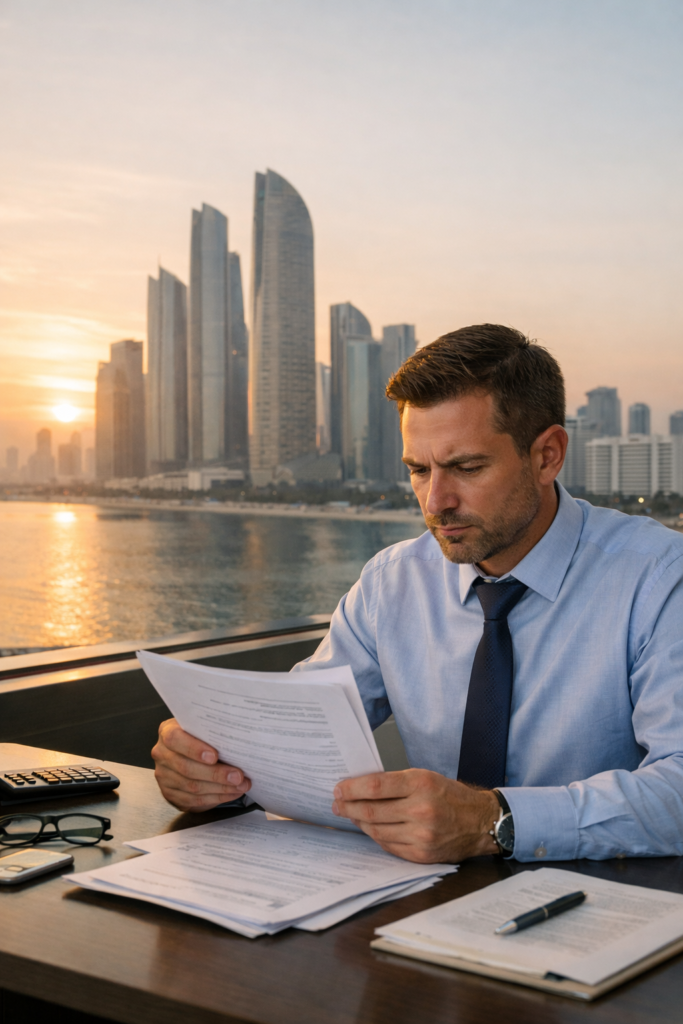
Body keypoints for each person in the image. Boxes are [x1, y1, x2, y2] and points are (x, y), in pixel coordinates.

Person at [152, 324, 683, 864]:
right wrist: (212, 768)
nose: (436, 501)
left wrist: (493, 821)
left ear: (547, 455)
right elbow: (297, 734)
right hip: (423, 898)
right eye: (417, 470)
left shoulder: (658, 579)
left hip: (609, 903)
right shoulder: (391, 583)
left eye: (466, 467)